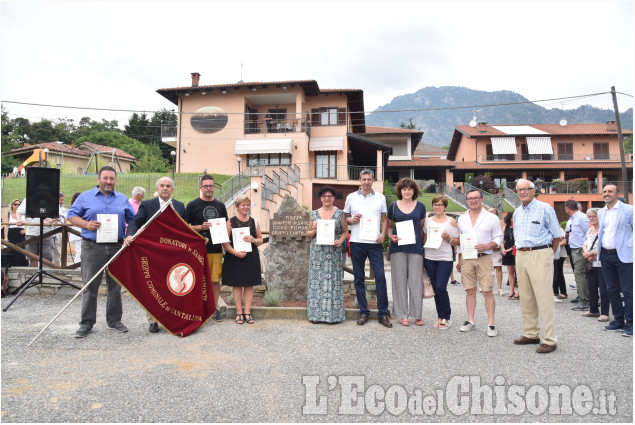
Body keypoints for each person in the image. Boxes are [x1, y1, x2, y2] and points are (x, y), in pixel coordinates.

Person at [67, 166, 135, 338]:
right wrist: (86, 224)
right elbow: (71, 215)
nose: (108, 182)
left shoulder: (122, 199)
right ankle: (86, 324)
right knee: (90, 286)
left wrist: (129, 235)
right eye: (105, 178)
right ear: (98, 179)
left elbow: (133, 221)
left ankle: (114, 321)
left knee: (115, 286)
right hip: (92, 247)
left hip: (116, 247)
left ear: (115, 180)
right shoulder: (85, 197)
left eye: (112, 179)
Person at [125, 177, 186, 333]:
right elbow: (135, 222)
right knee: (153, 287)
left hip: (173, 254)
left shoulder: (179, 206)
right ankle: (153, 320)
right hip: (152, 253)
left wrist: (200, 239)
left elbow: (185, 229)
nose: (165, 188)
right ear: (157, 188)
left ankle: (172, 317)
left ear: (172, 189)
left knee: (173, 286)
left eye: (168, 186)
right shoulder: (147, 205)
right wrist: (130, 234)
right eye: (162, 186)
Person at [512, 179, 562, 353]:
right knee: (525, 296)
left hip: (540, 253)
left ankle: (549, 339)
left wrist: (549, 253)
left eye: (526, 189)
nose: (522, 192)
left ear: (534, 191)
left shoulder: (545, 209)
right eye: (519, 190)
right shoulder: (517, 212)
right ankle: (531, 333)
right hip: (521, 254)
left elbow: (557, 235)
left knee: (544, 297)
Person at [343, 169, 391, 328]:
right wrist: (351, 220)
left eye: (369, 179)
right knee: (358, 278)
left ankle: (382, 313)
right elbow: (344, 219)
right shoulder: (351, 197)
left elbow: (384, 220)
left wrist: (383, 234)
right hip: (356, 243)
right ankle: (364, 311)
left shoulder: (380, 198)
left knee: (380, 277)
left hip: (374, 244)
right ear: (359, 180)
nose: (366, 182)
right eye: (364, 179)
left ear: (373, 181)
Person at [455, 189, 503, 337]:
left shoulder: (491, 217)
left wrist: (488, 246)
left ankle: (491, 324)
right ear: (467, 201)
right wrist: (459, 259)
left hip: (484, 257)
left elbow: (499, 237)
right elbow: (460, 240)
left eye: (476, 198)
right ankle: (471, 321)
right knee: (470, 290)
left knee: (487, 291)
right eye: (470, 198)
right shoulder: (462, 219)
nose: (473, 200)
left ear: (481, 199)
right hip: (467, 259)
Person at [184, 175, 228, 323]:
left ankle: (214, 309)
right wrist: (199, 228)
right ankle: (197, 309)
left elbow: (226, 225)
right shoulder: (192, 205)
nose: (208, 188)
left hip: (215, 249)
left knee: (215, 281)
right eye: (205, 186)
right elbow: (184, 227)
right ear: (201, 188)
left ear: (214, 187)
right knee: (196, 280)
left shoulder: (220, 206)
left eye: (211, 186)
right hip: (196, 251)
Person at [386, 178, 427, 326]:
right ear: (400, 191)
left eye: (410, 189)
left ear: (414, 191)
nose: (407, 191)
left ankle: (417, 315)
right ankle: (402, 314)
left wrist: (423, 247)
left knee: (416, 282)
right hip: (398, 248)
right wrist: (391, 236)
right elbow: (389, 227)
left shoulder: (421, 207)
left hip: (416, 248)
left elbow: (421, 229)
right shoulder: (393, 207)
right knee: (399, 281)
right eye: (404, 189)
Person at [306, 186, 348, 323]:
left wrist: (340, 241)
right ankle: (315, 316)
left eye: (329, 196)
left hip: (334, 252)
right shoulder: (313, 214)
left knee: (334, 283)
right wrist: (314, 229)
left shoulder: (340, 213)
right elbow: (309, 235)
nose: (327, 198)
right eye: (324, 196)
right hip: (318, 253)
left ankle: (334, 316)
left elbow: (345, 232)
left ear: (333, 198)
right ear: (321, 198)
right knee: (317, 283)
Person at [597, 185, 633, 337]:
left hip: (623, 255)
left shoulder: (629, 210)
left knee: (628, 291)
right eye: (604, 191)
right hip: (606, 255)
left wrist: (630, 246)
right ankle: (618, 320)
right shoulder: (601, 212)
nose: (606, 194)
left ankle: (631, 323)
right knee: (612, 290)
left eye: (610, 191)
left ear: (617, 194)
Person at [221, 195, 263, 325]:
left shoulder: (254, 221)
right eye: (243, 205)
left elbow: (261, 240)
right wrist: (235, 252)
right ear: (237, 207)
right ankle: (239, 312)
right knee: (237, 285)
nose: (246, 207)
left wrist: (254, 240)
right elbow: (224, 241)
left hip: (251, 257)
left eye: (247, 205)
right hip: (235, 257)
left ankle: (247, 312)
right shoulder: (230, 222)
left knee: (249, 285)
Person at [423, 195, 458, 330]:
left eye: (440, 205)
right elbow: (425, 239)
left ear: (445, 207)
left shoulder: (451, 222)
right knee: (435, 289)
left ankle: (446, 317)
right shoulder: (428, 221)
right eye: (435, 204)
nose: (437, 207)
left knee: (440, 287)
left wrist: (449, 239)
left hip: (445, 258)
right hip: (430, 257)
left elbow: (457, 241)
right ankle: (440, 316)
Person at [581, 208, 609, 321]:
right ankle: (593, 309)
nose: (591, 218)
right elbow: (585, 243)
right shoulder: (589, 230)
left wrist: (591, 253)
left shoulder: (604, 230)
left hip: (601, 262)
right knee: (591, 287)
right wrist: (586, 253)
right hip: (590, 262)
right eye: (590, 216)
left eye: (594, 216)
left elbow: (604, 246)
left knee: (603, 288)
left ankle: (605, 312)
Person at [16, 196, 56, 267]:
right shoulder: (28, 199)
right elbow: (19, 211)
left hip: (47, 232)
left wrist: (48, 221)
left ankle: (44, 274)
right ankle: (34, 273)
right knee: (31, 255)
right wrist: (18, 219)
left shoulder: (51, 198)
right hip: (31, 232)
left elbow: (57, 214)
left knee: (46, 255)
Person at [565, 199, 590, 312]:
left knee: (580, 274)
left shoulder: (582, 217)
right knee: (579, 274)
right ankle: (583, 297)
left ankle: (584, 300)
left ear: (567, 208)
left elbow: (588, 233)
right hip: (574, 249)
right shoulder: (573, 219)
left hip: (580, 250)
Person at [3, 199, 28, 266]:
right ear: (12, 205)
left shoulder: (24, 214)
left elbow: (27, 223)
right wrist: (6, 237)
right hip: (12, 233)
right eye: (15, 204)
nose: (17, 206)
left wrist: (25, 230)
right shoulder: (8, 214)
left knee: (22, 250)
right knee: (12, 250)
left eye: (19, 204)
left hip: (21, 234)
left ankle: (22, 265)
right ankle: (11, 264)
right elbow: (6, 226)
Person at [488, 208, 504, 296]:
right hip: (488, 247)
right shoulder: (485, 221)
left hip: (497, 247)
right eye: (491, 213)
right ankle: (486, 286)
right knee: (488, 268)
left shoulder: (500, 222)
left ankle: (499, 288)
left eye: (494, 213)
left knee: (498, 268)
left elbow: (501, 234)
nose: (493, 214)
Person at [501, 212, 517, 299]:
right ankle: (511, 290)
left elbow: (519, 241)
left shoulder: (518, 227)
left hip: (515, 250)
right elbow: (501, 240)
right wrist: (503, 249)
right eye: (512, 217)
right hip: (506, 251)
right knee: (510, 272)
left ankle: (519, 291)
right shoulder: (505, 228)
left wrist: (510, 249)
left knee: (518, 272)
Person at [552, 228, 568, 302]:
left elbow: (564, 241)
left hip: (560, 254)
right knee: (556, 272)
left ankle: (562, 292)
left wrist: (556, 245)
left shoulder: (559, 229)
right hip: (555, 254)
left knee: (558, 273)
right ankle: (556, 291)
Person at [52, 193, 68, 265]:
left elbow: (65, 220)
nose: (62, 201)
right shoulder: (54, 208)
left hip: (62, 231)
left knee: (61, 249)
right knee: (56, 250)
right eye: (60, 200)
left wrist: (67, 233)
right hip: (55, 231)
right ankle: (56, 265)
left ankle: (61, 264)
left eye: (63, 200)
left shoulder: (63, 209)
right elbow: (55, 219)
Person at [68, 193, 83, 264]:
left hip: (80, 232)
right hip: (78, 232)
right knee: (79, 253)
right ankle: (77, 268)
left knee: (80, 253)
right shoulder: (75, 208)